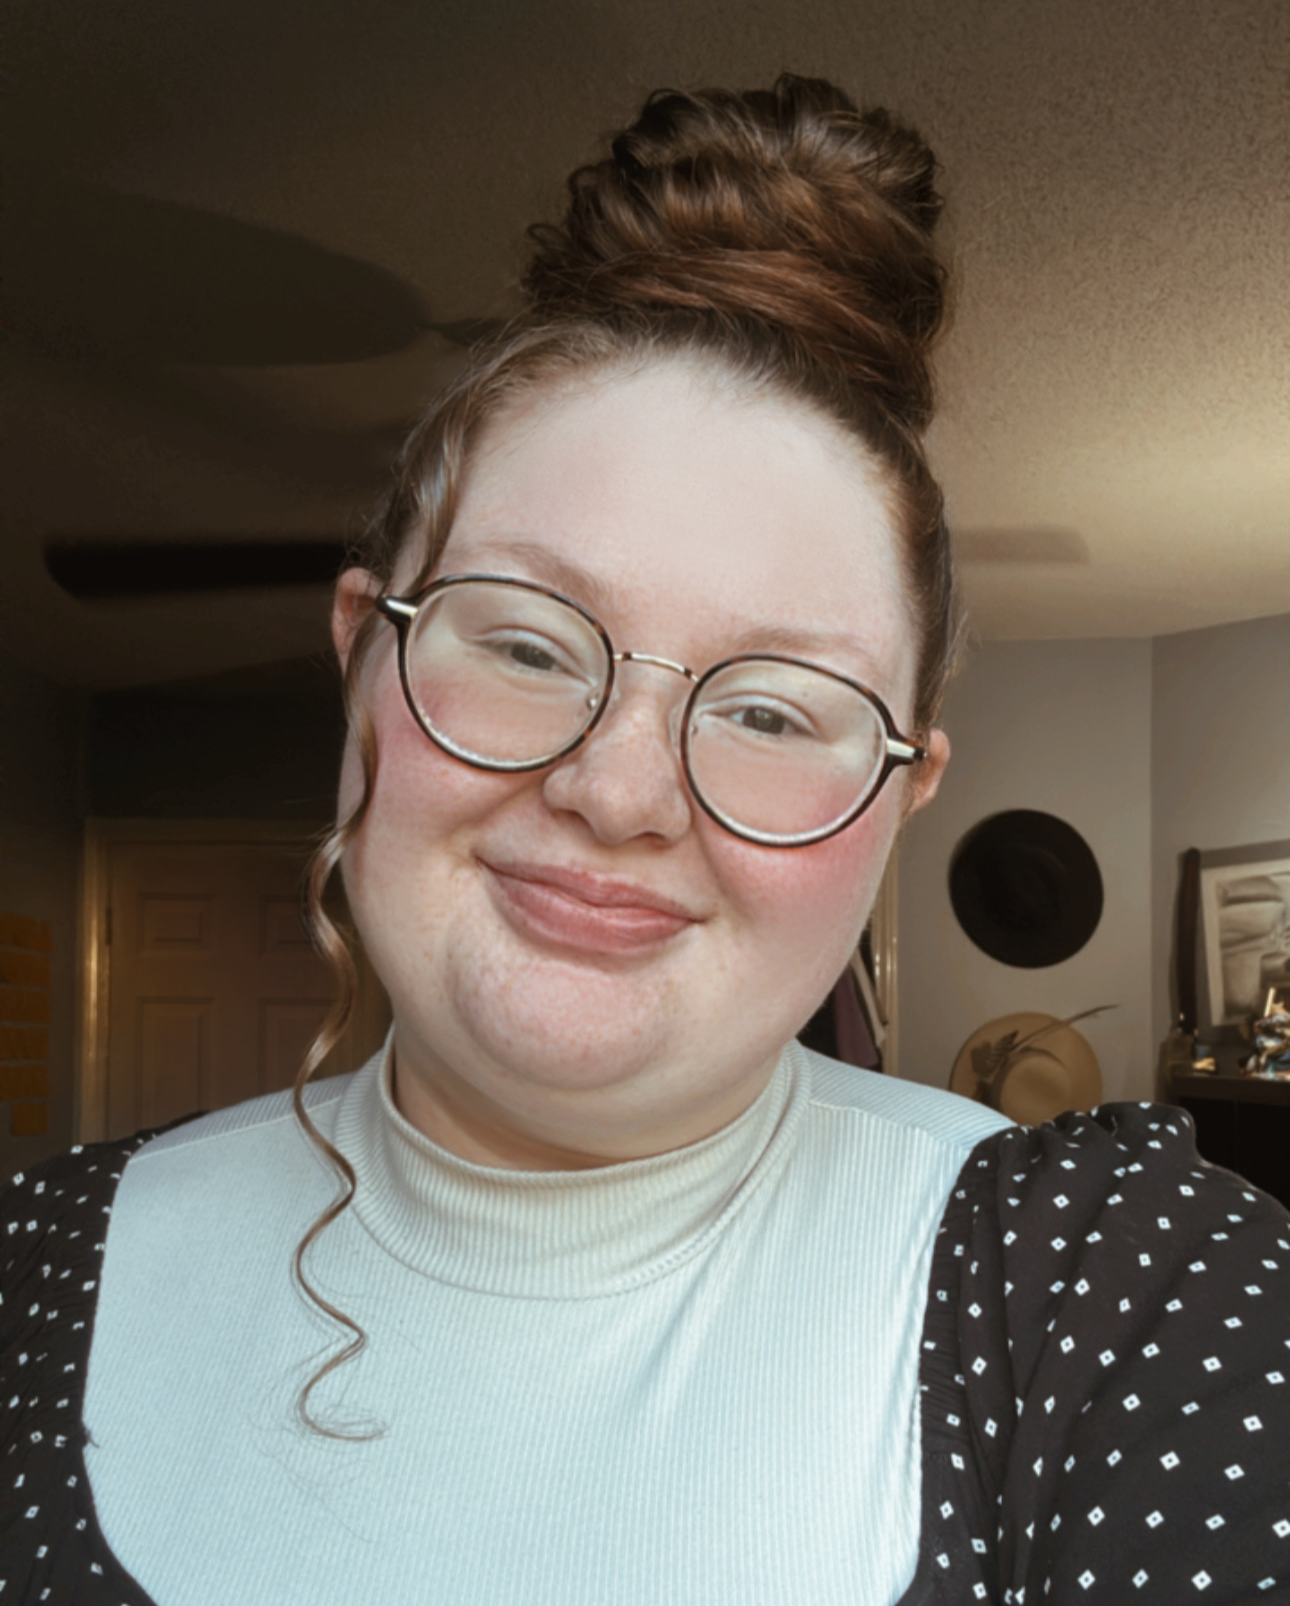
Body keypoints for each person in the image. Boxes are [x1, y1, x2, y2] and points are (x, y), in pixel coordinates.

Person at [3, 75, 1288, 1606]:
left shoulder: (1125, 1288)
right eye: (532, 645)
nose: (617, 792)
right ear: (363, 654)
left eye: (771, 707)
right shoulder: (30, 1267)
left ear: (900, 791)